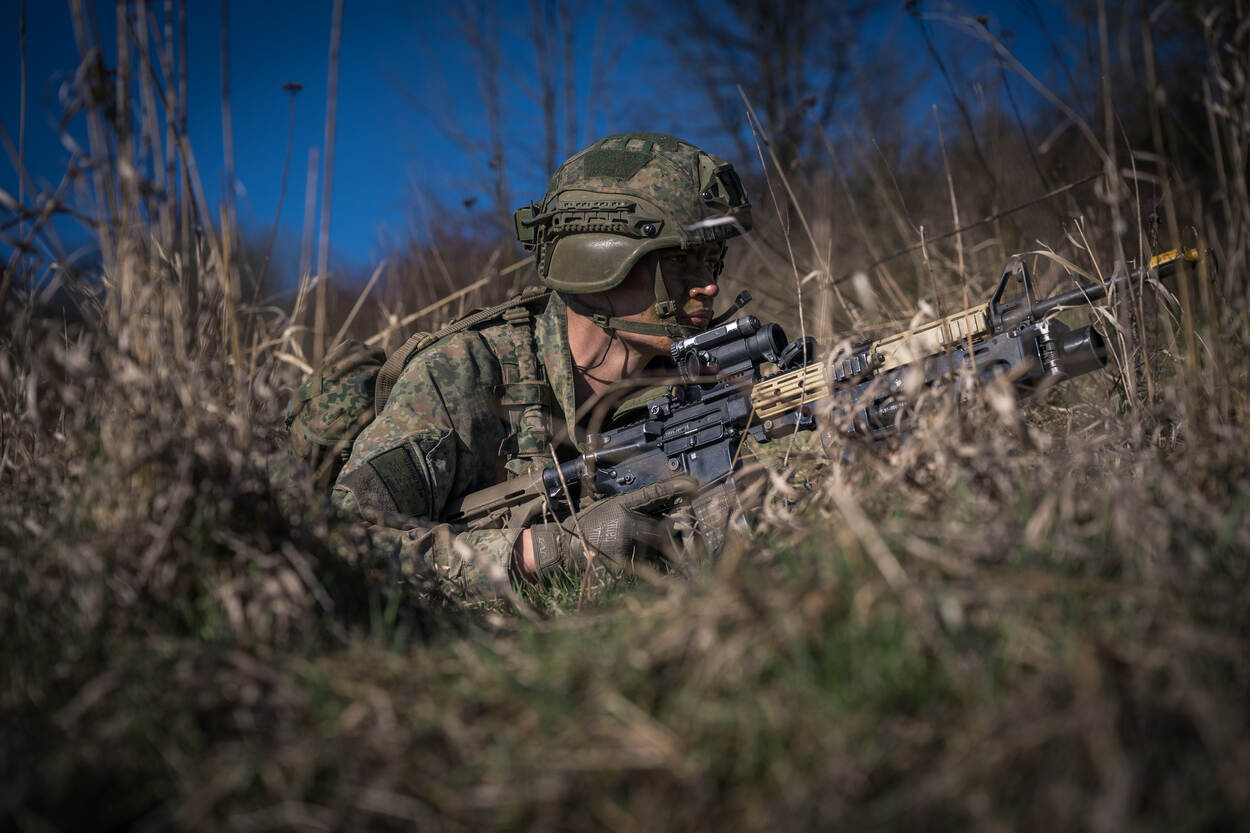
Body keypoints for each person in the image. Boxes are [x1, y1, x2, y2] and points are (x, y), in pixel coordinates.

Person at [332, 132, 752, 595]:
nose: (708, 286)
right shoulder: (462, 374)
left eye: (712, 261)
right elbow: (345, 544)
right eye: (679, 262)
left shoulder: (689, 379)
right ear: (597, 260)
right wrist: (540, 552)